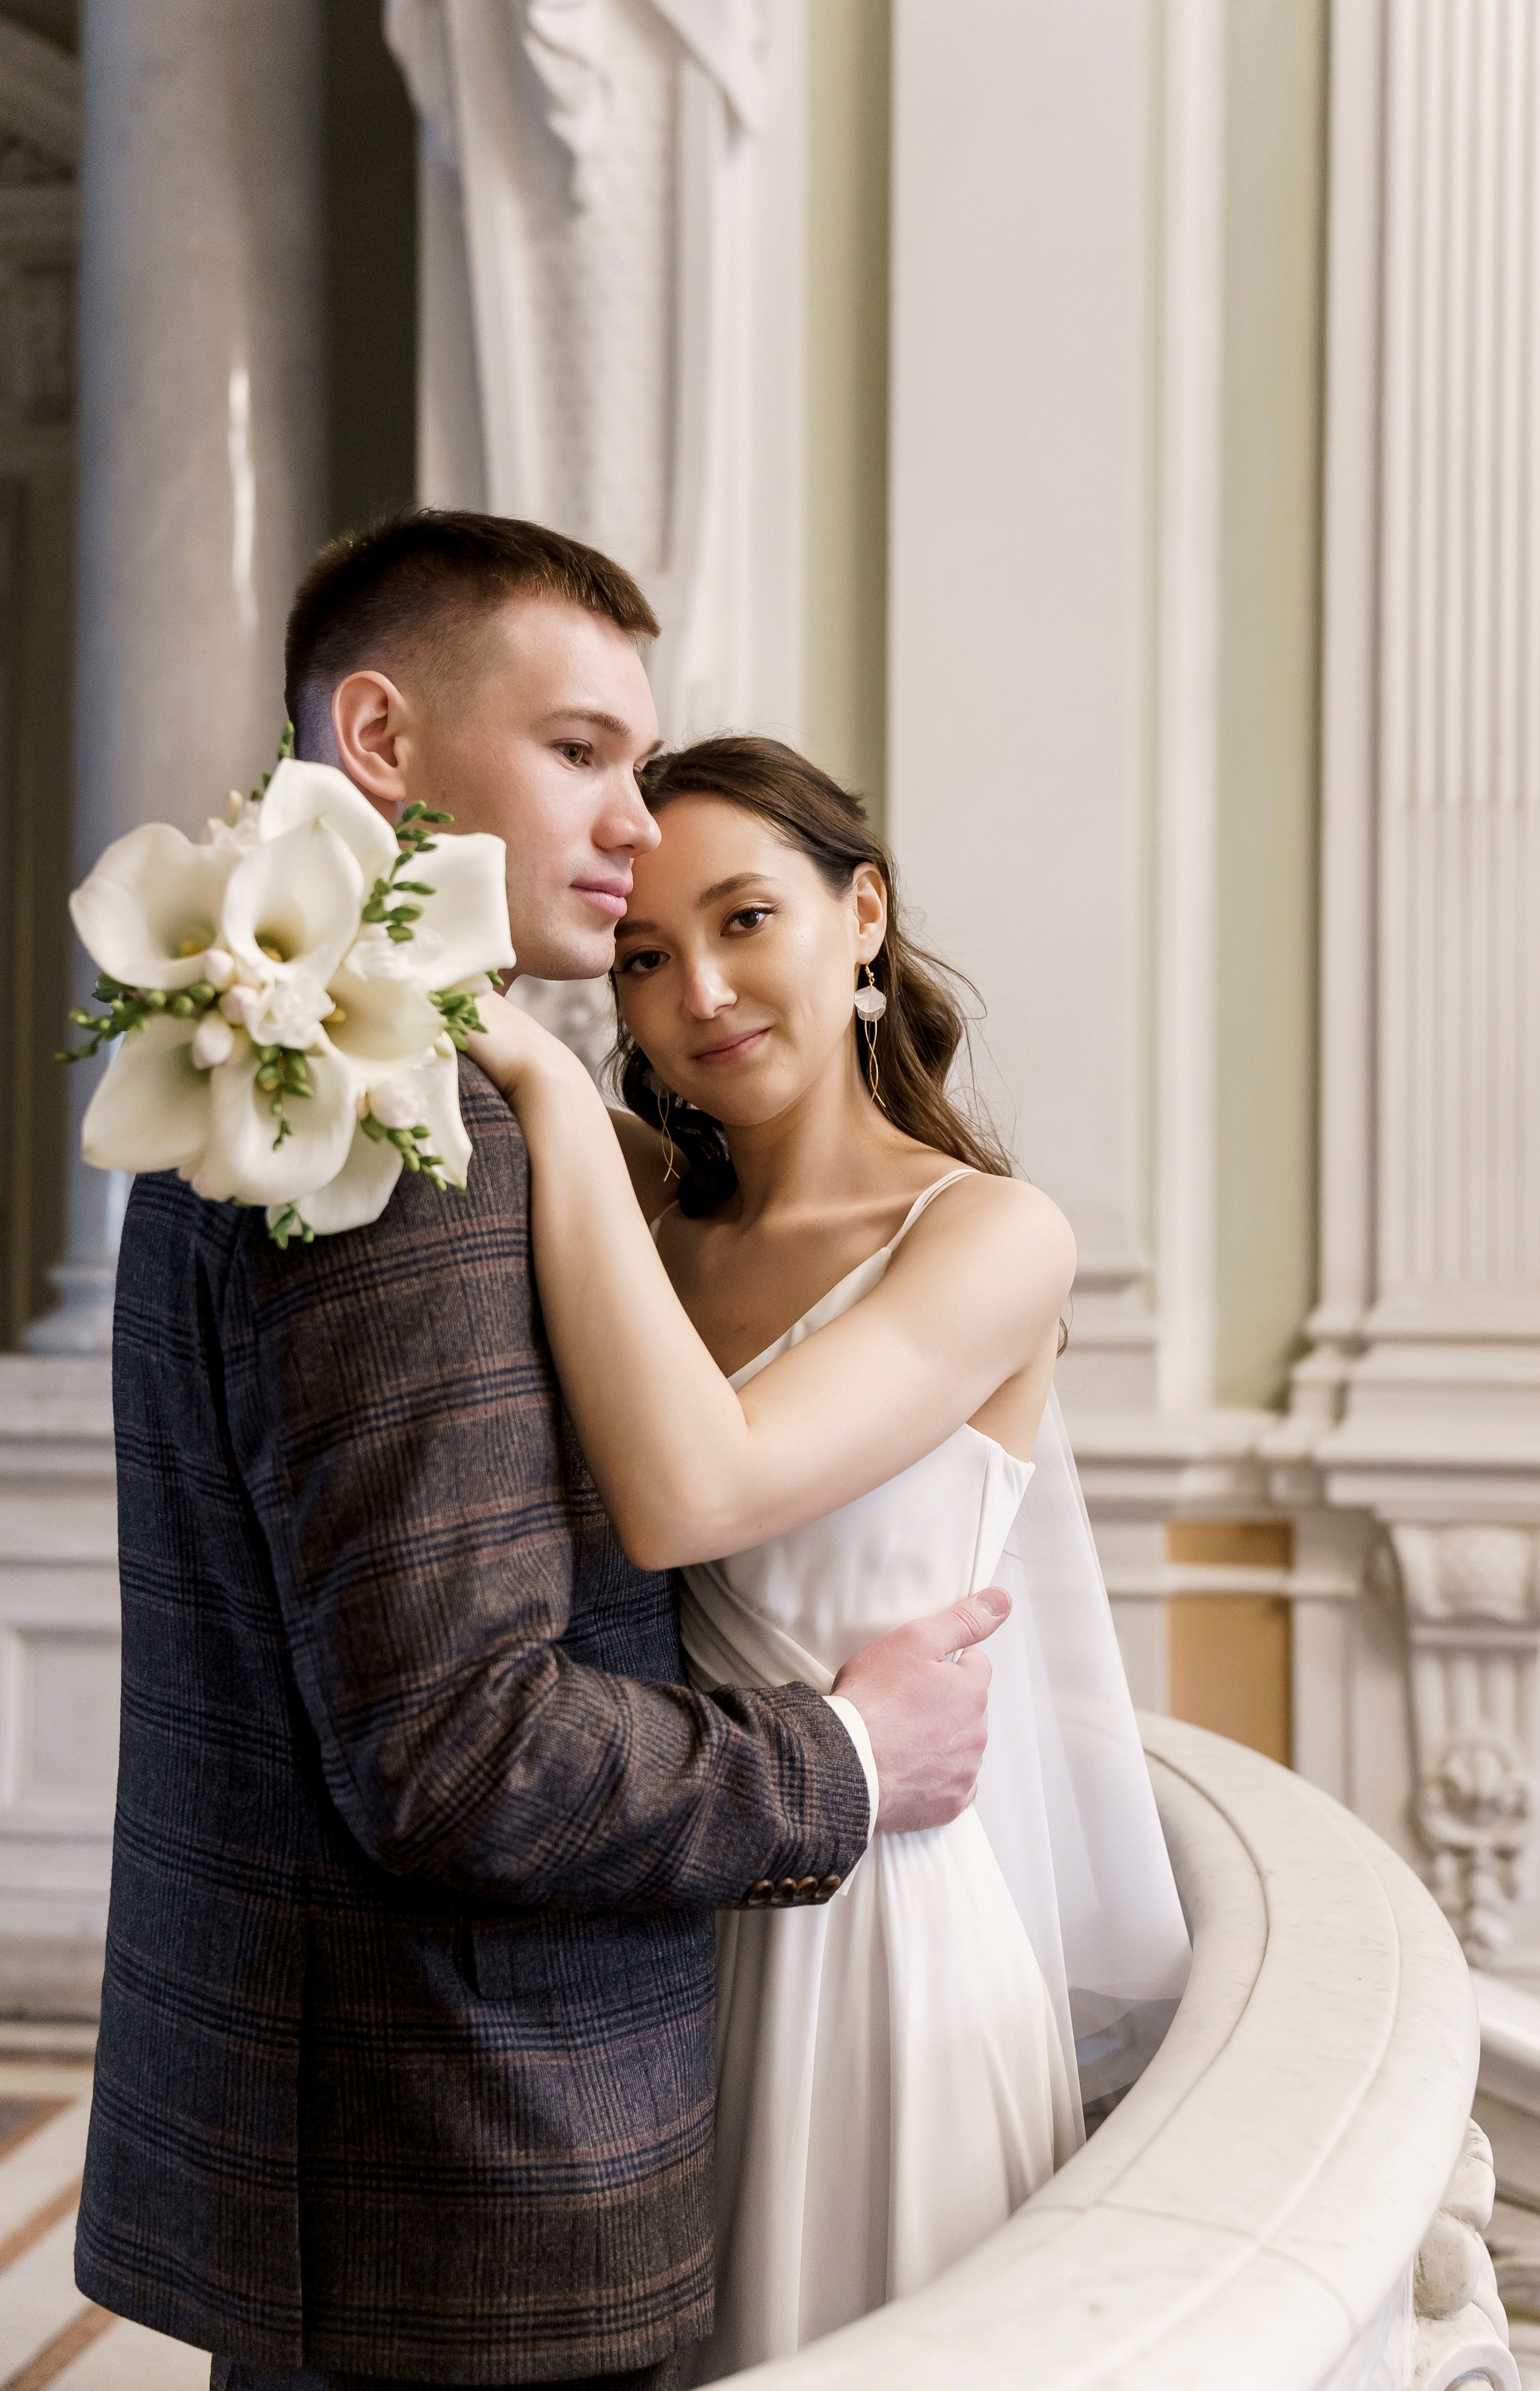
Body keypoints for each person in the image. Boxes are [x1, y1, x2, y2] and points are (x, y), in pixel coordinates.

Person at [74, 514, 1014, 2391]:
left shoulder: (260, 1075)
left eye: (642, 770)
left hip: (379, 2137)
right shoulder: (400, 1132)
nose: (635, 825)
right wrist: (845, 1749)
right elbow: (459, 1748)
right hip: (474, 2157)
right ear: (386, 741)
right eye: (583, 752)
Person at [467, 735, 1191, 2380]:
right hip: (665, 1895)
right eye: (643, 957)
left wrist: (552, 1096)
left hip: (884, 1945)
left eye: (744, 920)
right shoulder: (642, 1225)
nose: (698, 991)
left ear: (860, 915)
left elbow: (690, 1499)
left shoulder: (994, 1236)